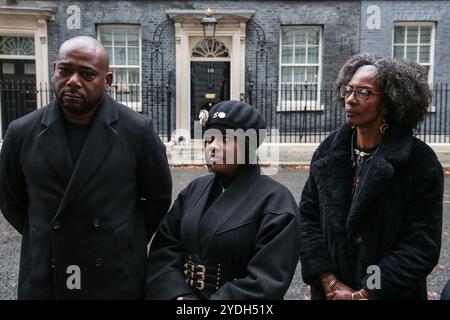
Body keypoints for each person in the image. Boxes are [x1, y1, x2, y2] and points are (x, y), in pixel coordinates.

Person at [0, 36, 172, 299]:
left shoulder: (137, 131)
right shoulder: (22, 132)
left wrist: (121, 239)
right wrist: (42, 234)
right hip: (46, 272)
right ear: (55, 69)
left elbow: (157, 199)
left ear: (108, 81)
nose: (73, 81)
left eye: (87, 74)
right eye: (65, 70)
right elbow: (10, 199)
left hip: (113, 274)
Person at [299, 54, 443, 300]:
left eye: (364, 92)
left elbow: (420, 245)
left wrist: (365, 293)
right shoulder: (328, 151)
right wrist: (329, 281)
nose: (350, 99)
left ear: (389, 102)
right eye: (348, 90)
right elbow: (307, 220)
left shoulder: (419, 162)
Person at [146, 100, 300, 299]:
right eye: (209, 139)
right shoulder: (194, 190)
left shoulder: (277, 202)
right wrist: (178, 295)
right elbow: (164, 250)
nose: (213, 147)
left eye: (225, 139)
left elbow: (266, 281)